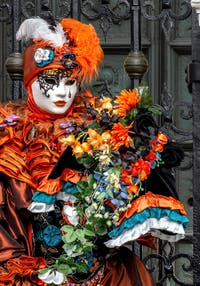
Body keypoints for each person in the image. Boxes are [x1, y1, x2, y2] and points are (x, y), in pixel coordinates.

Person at [0, 15, 188, 286]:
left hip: (105, 273)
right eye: (51, 81)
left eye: (70, 82)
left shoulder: (101, 126)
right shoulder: (8, 138)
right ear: (30, 82)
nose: (61, 93)